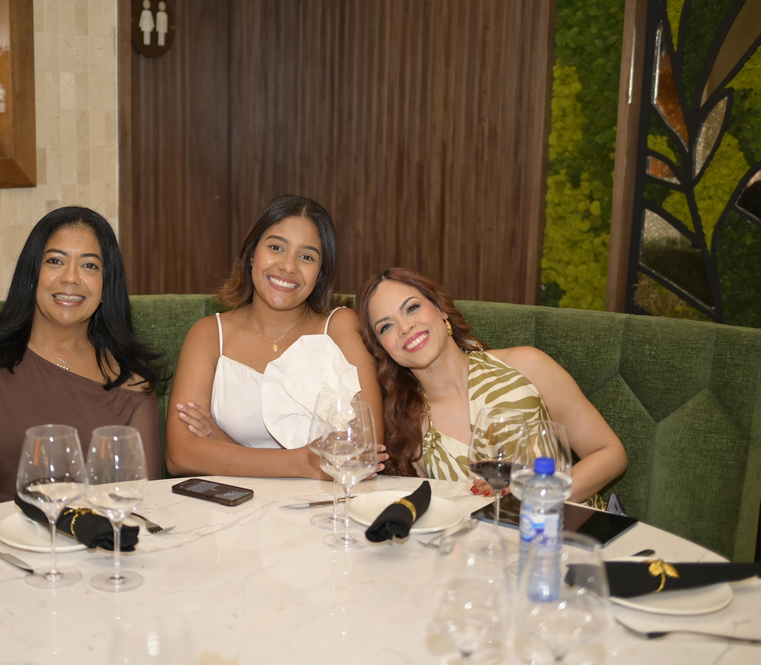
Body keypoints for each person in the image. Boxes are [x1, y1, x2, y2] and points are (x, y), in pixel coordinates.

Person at [0, 207, 163, 517]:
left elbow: (141, 499)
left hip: (77, 542)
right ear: (32, 273)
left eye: (89, 265)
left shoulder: (131, 378)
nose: (70, 277)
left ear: (107, 284)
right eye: (55, 261)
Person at [355, 268, 626, 504]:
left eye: (412, 308)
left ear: (440, 308)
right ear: (382, 349)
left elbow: (610, 453)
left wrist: (536, 497)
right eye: (386, 327)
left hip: (570, 530)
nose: (404, 327)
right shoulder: (407, 428)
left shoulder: (526, 366)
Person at [166, 195, 386, 478]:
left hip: (325, 503)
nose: (288, 266)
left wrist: (225, 446)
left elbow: (363, 452)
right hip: (232, 503)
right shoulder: (208, 334)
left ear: (320, 273)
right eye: (276, 247)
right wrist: (302, 463)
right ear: (252, 254)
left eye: (306, 257)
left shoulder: (341, 326)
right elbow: (180, 455)